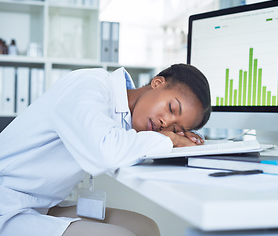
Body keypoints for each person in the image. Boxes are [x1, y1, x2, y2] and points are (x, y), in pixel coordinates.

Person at [0, 63, 211, 236]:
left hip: (41, 203)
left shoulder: (128, 123)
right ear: (157, 83)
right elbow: (106, 151)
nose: (165, 123)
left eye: (176, 127)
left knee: (146, 228)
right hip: (8, 206)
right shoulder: (91, 85)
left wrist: (176, 142)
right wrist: (170, 140)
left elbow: (125, 145)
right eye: (172, 108)